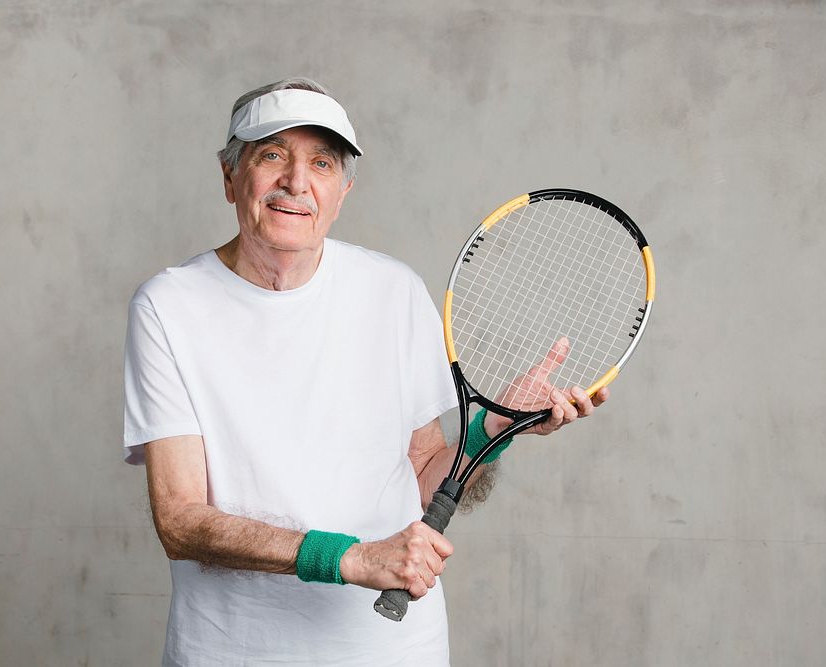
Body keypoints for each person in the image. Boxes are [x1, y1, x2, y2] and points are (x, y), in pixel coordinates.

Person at [123, 77, 607, 666]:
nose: (296, 182)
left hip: (393, 649)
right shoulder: (168, 307)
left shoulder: (393, 291)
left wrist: (491, 431)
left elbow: (427, 469)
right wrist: (349, 558)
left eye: (321, 163)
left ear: (342, 191)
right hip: (230, 651)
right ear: (230, 176)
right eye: (272, 154)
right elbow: (180, 520)